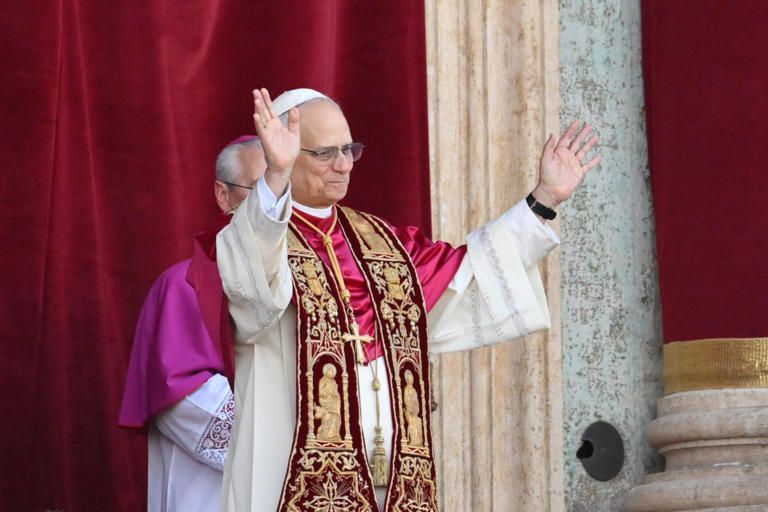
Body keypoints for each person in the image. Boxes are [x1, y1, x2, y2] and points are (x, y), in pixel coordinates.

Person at [216, 88, 601, 511]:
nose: (343, 165)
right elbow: (253, 290)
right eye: (325, 153)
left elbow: (469, 273)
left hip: (395, 480)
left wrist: (543, 200)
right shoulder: (258, 234)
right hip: (289, 479)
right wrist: (274, 178)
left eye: (348, 149)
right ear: (287, 153)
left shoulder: (384, 243)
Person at [118, 136, 266, 512]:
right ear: (223, 196)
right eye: (261, 189)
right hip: (209, 491)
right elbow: (183, 398)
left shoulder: (317, 285)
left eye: (285, 192)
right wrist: (280, 443)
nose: (275, 206)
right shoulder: (185, 285)